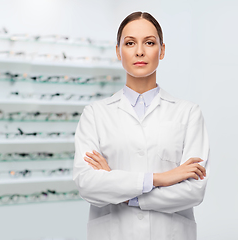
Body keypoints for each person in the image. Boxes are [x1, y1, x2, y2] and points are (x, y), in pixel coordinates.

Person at [73, 11, 210, 240]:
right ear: (118, 51)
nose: (139, 51)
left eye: (149, 42)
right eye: (129, 43)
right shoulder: (95, 114)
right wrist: (159, 178)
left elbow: (193, 191)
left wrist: (126, 193)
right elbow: (88, 185)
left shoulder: (188, 113)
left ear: (162, 50)